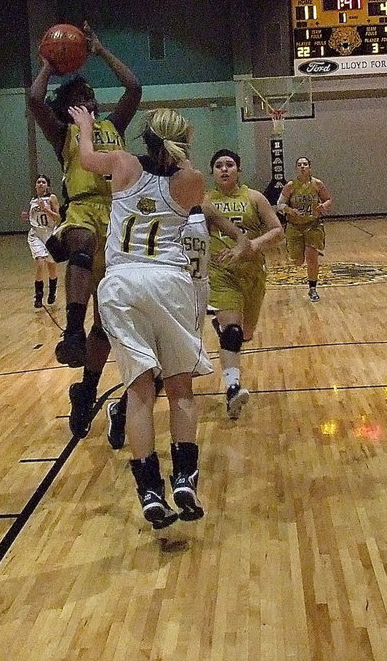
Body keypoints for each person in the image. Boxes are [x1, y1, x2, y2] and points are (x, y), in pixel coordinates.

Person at [73, 104, 211, 529]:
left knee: (139, 394)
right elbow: (188, 186)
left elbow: (85, 159)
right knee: (180, 389)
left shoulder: (122, 164)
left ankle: (150, 489)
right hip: (169, 282)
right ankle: (184, 478)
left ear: (145, 137)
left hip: (121, 284)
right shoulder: (190, 182)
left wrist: (84, 128)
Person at [28, 21, 142, 438]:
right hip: (82, 211)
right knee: (81, 238)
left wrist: (101, 49)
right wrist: (47, 65)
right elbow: (36, 100)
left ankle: (87, 389)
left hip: (119, 218)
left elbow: (133, 88)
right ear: (69, 108)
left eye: (91, 96)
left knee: (107, 323)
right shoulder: (64, 135)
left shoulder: (114, 127)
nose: (90, 100)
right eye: (80, 97)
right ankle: (71, 331)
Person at [106, 200, 252, 450]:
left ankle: (121, 410)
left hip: (194, 291)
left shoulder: (204, 210)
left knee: (172, 370)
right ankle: (124, 412)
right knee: (161, 368)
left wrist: (239, 249)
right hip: (166, 288)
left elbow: (241, 238)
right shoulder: (161, 207)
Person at [207, 149, 284, 420]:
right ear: (212, 172)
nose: (224, 169)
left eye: (230, 165)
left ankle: (224, 328)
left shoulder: (254, 198)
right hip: (220, 274)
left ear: (238, 170)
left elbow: (277, 231)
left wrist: (251, 245)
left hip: (252, 273)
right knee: (233, 332)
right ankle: (232, 387)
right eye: (218, 166)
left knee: (246, 333)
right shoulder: (206, 202)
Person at [276, 157, 333, 302]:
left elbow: (328, 199)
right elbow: (280, 204)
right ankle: (297, 259)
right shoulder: (290, 185)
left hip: (313, 224)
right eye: (299, 165)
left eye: (305, 164)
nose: (302, 167)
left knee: (311, 257)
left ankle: (312, 288)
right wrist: (289, 210)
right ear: (296, 168)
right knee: (297, 261)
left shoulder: (317, 184)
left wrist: (323, 206)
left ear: (310, 167)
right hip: (294, 226)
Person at [21, 175, 60, 308]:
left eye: (43, 182)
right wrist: (27, 216)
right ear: (35, 185)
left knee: (51, 266)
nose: (41, 184)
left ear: (47, 185)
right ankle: (38, 296)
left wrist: (46, 209)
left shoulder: (51, 198)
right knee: (39, 262)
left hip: (50, 234)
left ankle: (52, 292)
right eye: (38, 182)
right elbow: (35, 217)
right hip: (36, 234)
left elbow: (58, 218)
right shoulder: (33, 200)